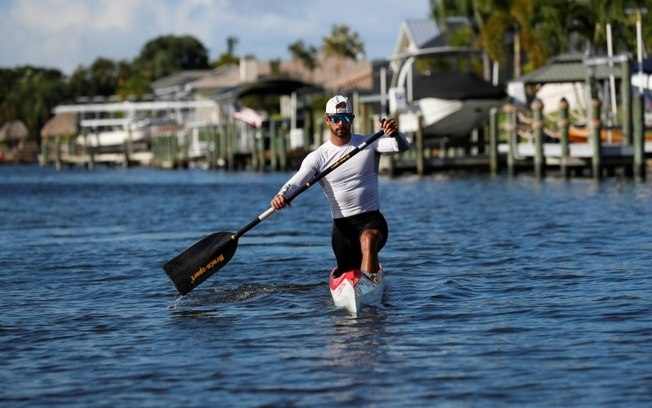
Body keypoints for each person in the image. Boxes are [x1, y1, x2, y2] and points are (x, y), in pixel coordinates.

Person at [270, 95, 410, 279]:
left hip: (372, 220)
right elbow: (297, 181)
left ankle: (368, 285)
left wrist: (395, 134)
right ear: (327, 120)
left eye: (344, 118)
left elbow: (402, 146)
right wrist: (282, 195)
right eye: (335, 119)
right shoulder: (318, 157)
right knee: (348, 272)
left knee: (368, 240)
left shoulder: (369, 143)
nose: (340, 124)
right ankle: (362, 281)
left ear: (351, 119)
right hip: (343, 230)